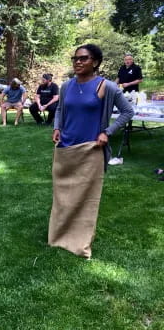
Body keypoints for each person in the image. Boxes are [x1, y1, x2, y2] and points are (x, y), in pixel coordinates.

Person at [49, 44, 134, 259]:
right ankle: (58, 237)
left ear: (95, 62)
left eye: (84, 58)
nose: (78, 62)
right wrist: (57, 127)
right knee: (63, 197)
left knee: (86, 199)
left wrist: (108, 132)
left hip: (91, 150)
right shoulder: (66, 86)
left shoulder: (106, 87)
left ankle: (79, 242)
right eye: (75, 58)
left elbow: (127, 111)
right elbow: (59, 109)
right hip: (66, 149)